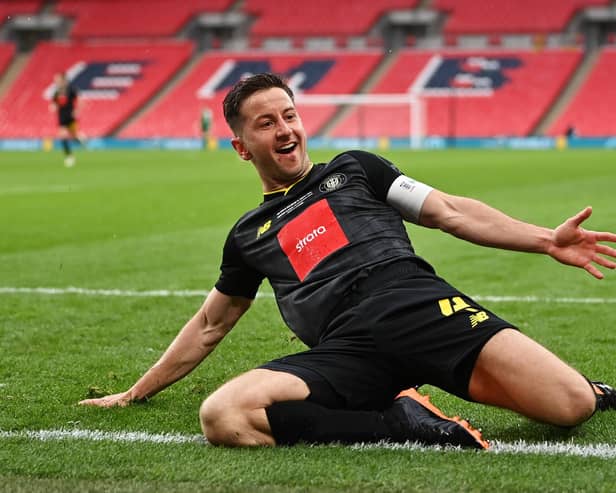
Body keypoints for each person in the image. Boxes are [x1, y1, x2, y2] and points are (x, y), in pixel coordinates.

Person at [79, 73, 616, 450]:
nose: (285, 130)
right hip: (348, 349)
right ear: (242, 147)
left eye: (289, 115)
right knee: (223, 415)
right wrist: (133, 393)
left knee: (570, 408)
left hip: (419, 306)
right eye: (266, 124)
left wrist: (546, 239)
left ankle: (587, 387)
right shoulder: (248, 234)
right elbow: (208, 325)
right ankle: (397, 419)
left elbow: (448, 211)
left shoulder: (355, 170)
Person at [49, 72, 84, 167]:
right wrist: (53, 106)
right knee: (63, 135)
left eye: (58, 80)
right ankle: (69, 157)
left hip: (71, 117)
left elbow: (80, 100)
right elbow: (54, 103)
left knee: (73, 136)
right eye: (56, 80)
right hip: (61, 118)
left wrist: (77, 110)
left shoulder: (71, 90)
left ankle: (79, 139)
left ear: (64, 80)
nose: (56, 82)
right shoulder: (56, 93)